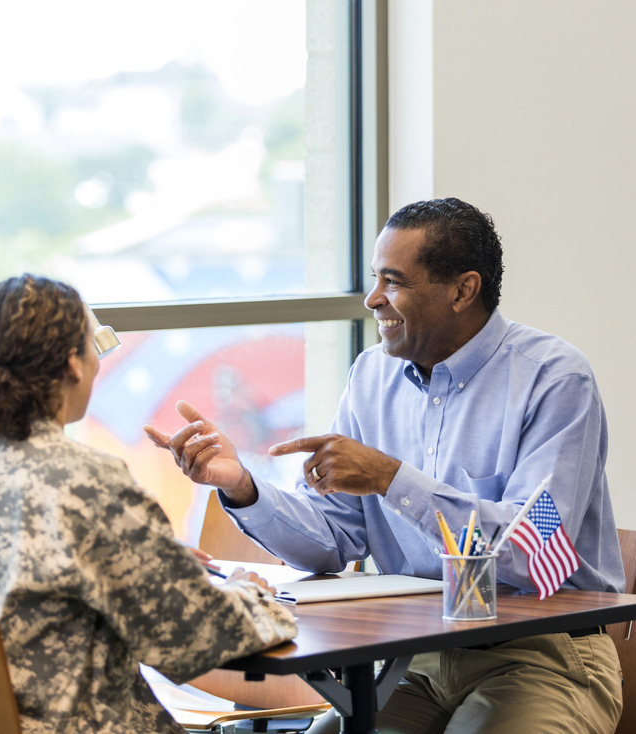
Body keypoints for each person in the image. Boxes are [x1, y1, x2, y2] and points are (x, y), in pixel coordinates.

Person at [145, 198, 625, 733]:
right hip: (415, 661)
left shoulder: (555, 379)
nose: (374, 299)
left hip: (542, 657)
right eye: (375, 278)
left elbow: (532, 554)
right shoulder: (373, 376)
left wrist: (391, 479)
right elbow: (335, 539)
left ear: (463, 290)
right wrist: (240, 485)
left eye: (393, 282)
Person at [0, 274, 296, 734]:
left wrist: (147, 563)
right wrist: (251, 592)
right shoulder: (89, 480)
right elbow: (195, 640)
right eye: (92, 348)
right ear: (73, 364)